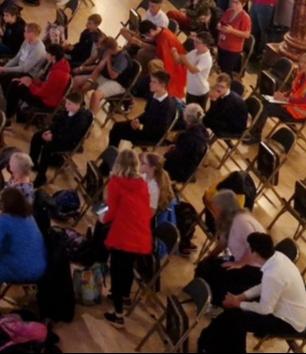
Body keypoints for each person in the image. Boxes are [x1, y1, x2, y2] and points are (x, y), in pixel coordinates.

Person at [197, 233, 306, 354]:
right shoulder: (278, 257)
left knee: (236, 319)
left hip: (288, 321)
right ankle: (210, 345)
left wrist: (238, 304)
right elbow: (264, 286)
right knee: (233, 315)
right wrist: (239, 298)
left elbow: (265, 309)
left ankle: (211, 345)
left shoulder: (273, 274)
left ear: (254, 253)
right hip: (281, 308)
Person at [102, 149, 153, 328]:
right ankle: (124, 296)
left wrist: (102, 218)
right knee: (128, 267)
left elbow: (112, 211)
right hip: (140, 233)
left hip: (123, 233)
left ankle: (118, 315)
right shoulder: (142, 183)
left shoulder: (116, 182)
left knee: (116, 271)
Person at [195, 190, 267, 305]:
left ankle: (215, 303)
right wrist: (209, 257)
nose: (214, 213)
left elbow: (254, 248)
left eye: (216, 209)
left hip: (255, 268)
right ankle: (198, 294)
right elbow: (223, 243)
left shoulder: (242, 221)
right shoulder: (228, 222)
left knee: (219, 274)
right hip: (240, 259)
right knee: (208, 265)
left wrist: (239, 264)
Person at [0, 188, 48, 296]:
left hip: (23, 271)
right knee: (2, 253)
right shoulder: (29, 216)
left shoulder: (3, 221)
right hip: (40, 266)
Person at [246, 53, 306, 145]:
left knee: (265, 108)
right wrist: (282, 95)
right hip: (289, 104)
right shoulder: (301, 75)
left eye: (305, 63)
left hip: (298, 112)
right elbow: (294, 91)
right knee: (262, 101)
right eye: (301, 62)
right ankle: (251, 128)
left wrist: (286, 99)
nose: (301, 64)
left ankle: (256, 135)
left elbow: (304, 101)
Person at [28, 92, 93, 182]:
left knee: (47, 148)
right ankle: (33, 162)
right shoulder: (68, 111)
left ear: (78, 105)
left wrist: (53, 137)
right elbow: (58, 123)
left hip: (70, 142)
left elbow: (71, 136)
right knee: (37, 136)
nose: (66, 105)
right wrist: (50, 131)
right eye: (66, 103)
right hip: (60, 135)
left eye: (69, 104)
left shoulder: (81, 120)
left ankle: (41, 176)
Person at [108, 71, 178, 149]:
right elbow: (146, 113)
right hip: (144, 126)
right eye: (151, 81)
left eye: (154, 82)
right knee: (116, 126)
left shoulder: (168, 105)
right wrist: (136, 120)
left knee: (117, 131)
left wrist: (141, 127)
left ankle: (110, 158)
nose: (150, 84)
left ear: (162, 85)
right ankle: (111, 155)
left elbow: (161, 130)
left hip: (151, 134)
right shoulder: (152, 95)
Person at [8, 44, 71, 120]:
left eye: (47, 53)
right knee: (17, 82)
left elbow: (44, 92)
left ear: (53, 57)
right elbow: (45, 84)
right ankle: (13, 113)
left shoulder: (58, 74)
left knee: (16, 86)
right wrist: (31, 81)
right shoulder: (59, 66)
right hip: (46, 96)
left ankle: (8, 115)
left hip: (46, 102)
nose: (45, 54)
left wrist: (30, 85)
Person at [75, 37, 133, 114]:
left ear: (109, 49)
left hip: (117, 83)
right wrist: (90, 81)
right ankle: (78, 106)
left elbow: (113, 75)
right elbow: (99, 69)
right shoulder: (110, 53)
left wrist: (108, 60)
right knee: (77, 80)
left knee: (96, 95)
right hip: (104, 78)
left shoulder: (122, 58)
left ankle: (90, 117)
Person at [165, 104, 210, 184]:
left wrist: (168, 154)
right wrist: (176, 147)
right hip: (189, 165)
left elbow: (178, 157)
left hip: (182, 170)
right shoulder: (202, 130)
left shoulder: (189, 137)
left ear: (188, 117)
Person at [0, 23, 46, 89]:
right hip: (19, 66)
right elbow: (17, 58)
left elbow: (24, 69)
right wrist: (3, 67)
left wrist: (4, 70)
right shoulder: (26, 41)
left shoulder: (38, 49)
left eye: (26, 32)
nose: (24, 33)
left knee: (4, 77)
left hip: (28, 73)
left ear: (33, 34)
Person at [217, 0, 253, 75]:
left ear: (243, 4)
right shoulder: (229, 11)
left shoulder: (245, 17)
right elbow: (221, 22)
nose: (234, 4)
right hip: (222, 43)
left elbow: (247, 34)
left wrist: (232, 31)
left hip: (232, 48)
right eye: (233, 2)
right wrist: (219, 25)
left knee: (227, 71)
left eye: (237, 3)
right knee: (220, 67)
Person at [178, 32, 215, 106]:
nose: (195, 43)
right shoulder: (194, 52)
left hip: (200, 91)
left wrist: (185, 60)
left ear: (205, 44)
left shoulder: (207, 58)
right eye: (195, 41)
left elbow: (193, 70)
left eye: (198, 42)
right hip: (191, 88)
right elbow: (181, 60)